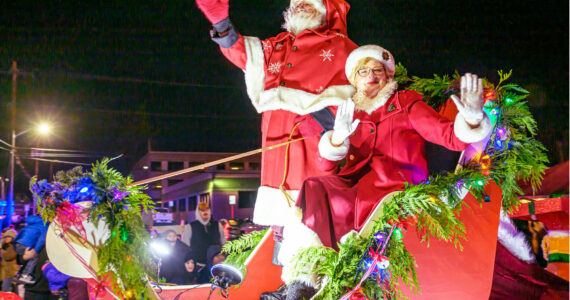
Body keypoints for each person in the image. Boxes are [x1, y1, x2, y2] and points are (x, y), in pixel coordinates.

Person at [280, 45, 492, 298]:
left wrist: (472, 119)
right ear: (354, 80)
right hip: (352, 185)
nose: (371, 76)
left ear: (389, 76)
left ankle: (340, 278)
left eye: (378, 70)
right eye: (363, 71)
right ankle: (304, 280)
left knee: (361, 205)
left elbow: (448, 136)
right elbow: (326, 167)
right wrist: (337, 139)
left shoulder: (405, 103)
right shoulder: (348, 112)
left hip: (395, 186)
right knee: (315, 186)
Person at [194, 0, 358, 233]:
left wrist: (323, 121)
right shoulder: (277, 46)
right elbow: (243, 56)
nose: (301, 6)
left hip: (314, 146)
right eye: (297, 3)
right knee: (282, 229)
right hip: (276, 146)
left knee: (315, 222)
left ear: (326, 9)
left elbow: (362, 97)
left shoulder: (343, 48)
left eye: (308, 4)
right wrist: (221, 23)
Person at [182, 202, 225, 266]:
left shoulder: (217, 225)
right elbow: (185, 246)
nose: (205, 212)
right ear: (198, 212)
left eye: (207, 209)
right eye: (202, 210)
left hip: (215, 264)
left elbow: (223, 242)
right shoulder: (191, 226)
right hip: (198, 264)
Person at [13, 215, 48, 284]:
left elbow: (21, 232)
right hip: (27, 244)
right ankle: (25, 275)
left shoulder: (33, 224)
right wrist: (36, 250)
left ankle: (19, 274)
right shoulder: (44, 225)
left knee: (28, 259)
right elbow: (42, 239)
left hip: (18, 243)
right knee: (33, 257)